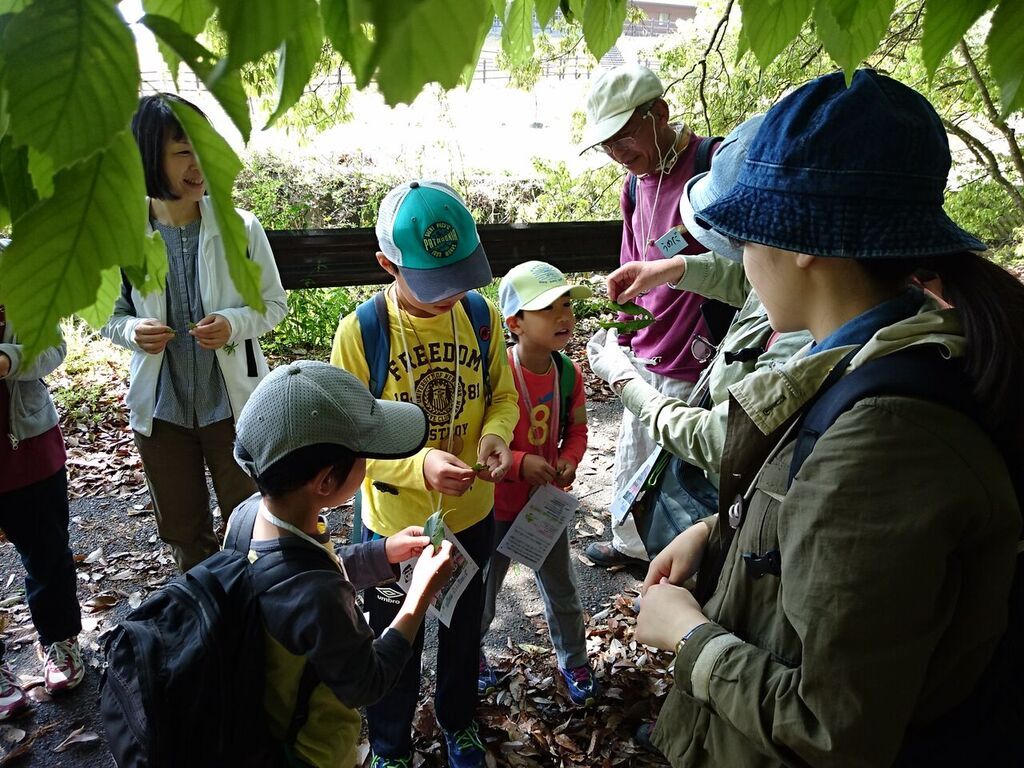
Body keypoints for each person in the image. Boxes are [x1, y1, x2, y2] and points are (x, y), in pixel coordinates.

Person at [634, 70, 1022, 767]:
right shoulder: (863, 357)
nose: (743, 261)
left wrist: (687, 637)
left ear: (801, 243)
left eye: (745, 237)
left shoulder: (885, 444)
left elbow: (835, 729)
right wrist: (713, 531)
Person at [331, 180, 520, 768]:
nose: (452, 295)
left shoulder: (481, 317)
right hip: (394, 529)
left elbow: (503, 397)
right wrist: (419, 466)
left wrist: (495, 436)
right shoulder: (361, 335)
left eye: (461, 277)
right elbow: (348, 439)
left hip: (471, 519)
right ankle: (389, 743)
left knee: (464, 631)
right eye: (437, 283)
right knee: (395, 637)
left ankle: (457, 721)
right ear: (388, 264)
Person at [228, 360, 454, 767]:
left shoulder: (249, 517)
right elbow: (368, 681)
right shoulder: (318, 596)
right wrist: (419, 595)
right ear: (327, 482)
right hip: (313, 752)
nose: (368, 464)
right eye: (363, 455)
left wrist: (380, 554)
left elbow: (310, 566)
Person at [102, 93, 287, 572]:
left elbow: (272, 306)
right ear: (148, 158)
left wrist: (232, 324)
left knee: (250, 525)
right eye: (184, 152)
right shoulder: (123, 236)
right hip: (162, 412)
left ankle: (254, 626)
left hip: (232, 406)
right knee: (185, 535)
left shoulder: (239, 228)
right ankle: (207, 627)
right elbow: (108, 313)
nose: (199, 164)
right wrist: (131, 330)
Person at [587, 115, 811, 492]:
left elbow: (721, 440)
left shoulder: (805, 346)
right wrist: (669, 269)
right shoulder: (798, 291)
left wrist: (622, 378)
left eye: (742, 247)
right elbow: (744, 279)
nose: (738, 259)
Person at [578, 64, 722, 566]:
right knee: (636, 448)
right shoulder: (636, 184)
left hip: (698, 352)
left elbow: (748, 266)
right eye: (607, 145)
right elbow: (631, 257)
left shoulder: (712, 169)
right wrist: (619, 325)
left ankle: (672, 568)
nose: (618, 154)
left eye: (624, 138)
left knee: (680, 468)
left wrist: (674, 270)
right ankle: (631, 544)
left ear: (658, 113)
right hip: (645, 345)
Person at [477, 261, 597, 706]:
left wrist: (568, 459)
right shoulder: (497, 376)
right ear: (515, 323)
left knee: (562, 589)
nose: (564, 316)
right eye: (548, 308)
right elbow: (481, 441)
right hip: (496, 507)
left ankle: (575, 660)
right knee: (483, 593)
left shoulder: (569, 375)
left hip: (544, 508)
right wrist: (520, 463)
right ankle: (472, 657)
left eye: (567, 305)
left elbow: (578, 432)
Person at [0, 252, 85, 717]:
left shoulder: (20, 262)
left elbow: (53, 348)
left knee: (47, 554)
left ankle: (61, 644)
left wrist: (8, 359)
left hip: (26, 442)